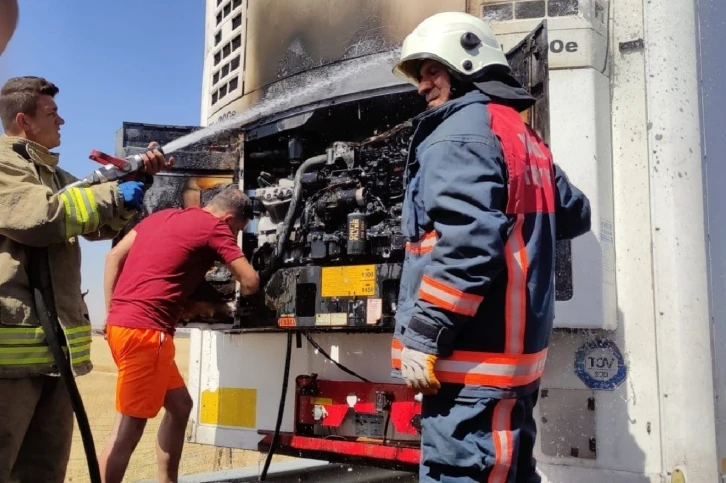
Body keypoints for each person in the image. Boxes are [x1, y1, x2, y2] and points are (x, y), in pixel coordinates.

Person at [389, 12, 592, 483]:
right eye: (420, 75)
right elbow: (574, 213)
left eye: (432, 70)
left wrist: (424, 333)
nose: (423, 86)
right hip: (513, 363)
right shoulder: (522, 136)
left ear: (466, 63)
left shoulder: (456, 134)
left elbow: (469, 242)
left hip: (471, 365)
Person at [0, 76, 173, 483]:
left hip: (52, 356)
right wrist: (112, 196)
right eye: (51, 113)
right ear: (23, 121)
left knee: (44, 471)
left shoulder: (52, 174)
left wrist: (136, 183)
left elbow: (93, 224)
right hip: (8, 362)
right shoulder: (5, 165)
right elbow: (41, 219)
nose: (62, 120)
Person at [99, 187, 260, 483]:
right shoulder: (215, 227)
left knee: (180, 405)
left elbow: (113, 258)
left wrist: (112, 315)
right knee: (128, 430)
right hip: (147, 335)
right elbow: (250, 281)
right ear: (228, 218)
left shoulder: (161, 217)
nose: (233, 238)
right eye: (236, 231)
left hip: (125, 328)